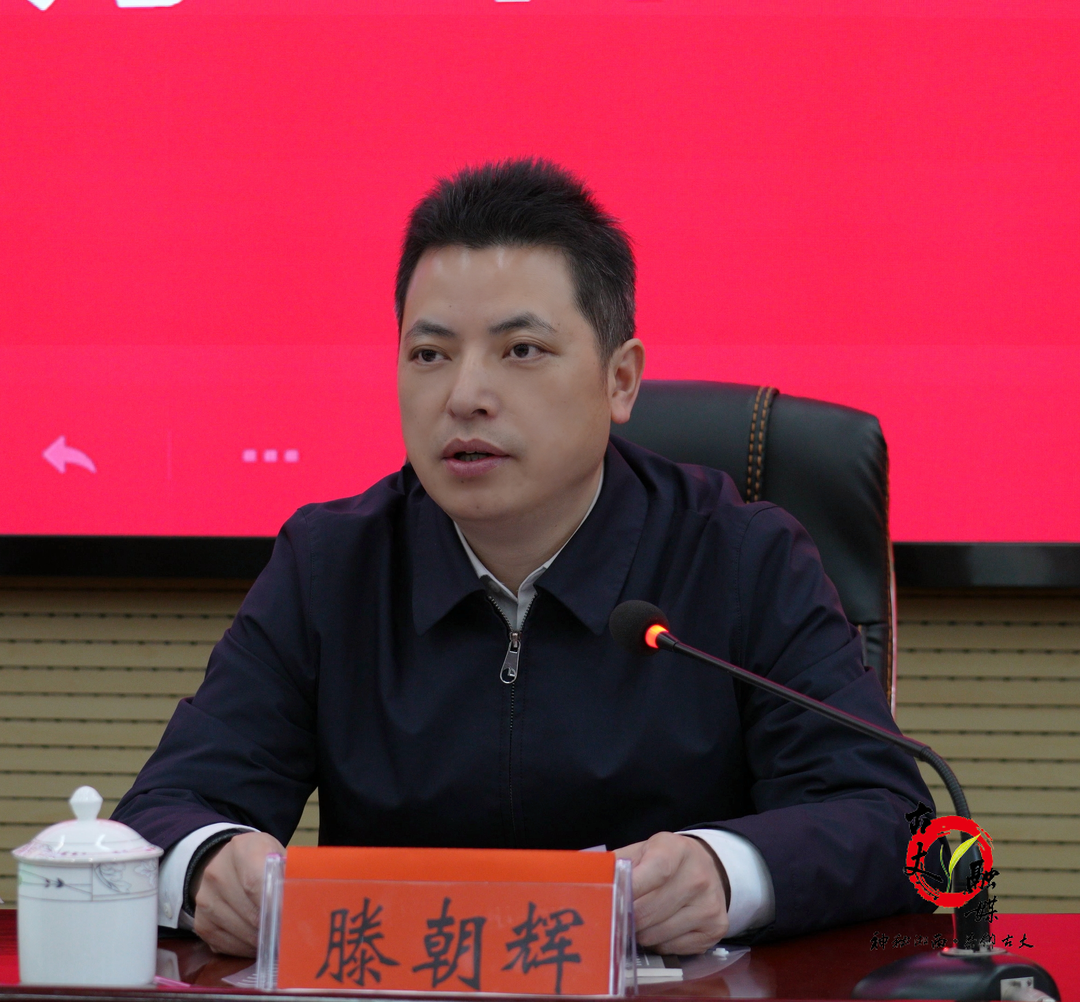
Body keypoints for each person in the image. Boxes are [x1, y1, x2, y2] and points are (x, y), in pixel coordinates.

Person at [113, 158, 937, 959]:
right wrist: (208, 865)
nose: (464, 395)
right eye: (429, 354)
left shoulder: (741, 557)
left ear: (620, 380)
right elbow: (164, 809)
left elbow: (895, 824)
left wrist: (727, 871)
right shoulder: (333, 566)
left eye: (520, 351)